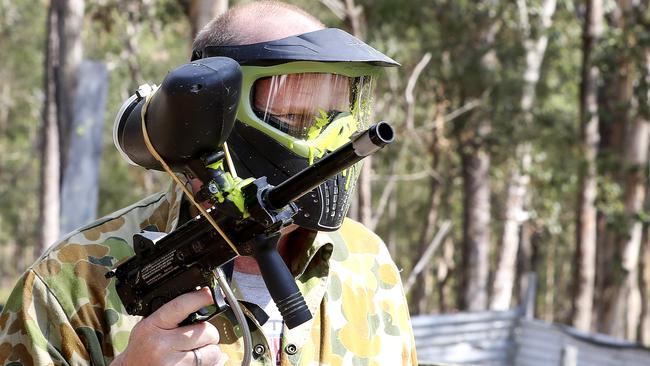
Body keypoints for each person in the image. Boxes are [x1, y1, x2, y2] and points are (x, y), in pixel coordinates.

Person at [0, 1, 417, 365]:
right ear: (212, 115)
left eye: (334, 118)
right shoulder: (70, 284)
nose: (326, 142)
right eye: (295, 119)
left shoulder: (366, 263)